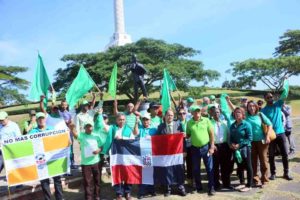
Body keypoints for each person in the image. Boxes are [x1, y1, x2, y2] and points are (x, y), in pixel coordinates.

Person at [261, 78, 293, 180]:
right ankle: (273, 173)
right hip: (271, 135)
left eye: (271, 97)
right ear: (265, 99)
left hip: (281, 133)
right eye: (268, 97)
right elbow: (262, 124)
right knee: (271, 156)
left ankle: (286, 173)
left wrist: (286, 82)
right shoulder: (264, 111)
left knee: (285, 154)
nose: (270, 98)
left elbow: (285, 93)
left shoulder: (278, 105)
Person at [29, 112, 64, 200]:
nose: (41, 120)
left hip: (53, 159)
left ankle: (59, 198)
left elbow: (59, 141)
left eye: (43, 118)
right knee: (44, 182)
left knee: (57, 180)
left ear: (45, 119)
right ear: (36, 120)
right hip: (41, 160)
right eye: (39, 119)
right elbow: (25, 144)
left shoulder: (52, 129)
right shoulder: (32, 132)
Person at [102, 113, 135, 200]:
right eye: (120, 119)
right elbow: (103, 126)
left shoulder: (128, 129)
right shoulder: (112, 128)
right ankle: (119, 193)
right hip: (115, 155)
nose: (121, 121)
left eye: (123, 119)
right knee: (117, 173)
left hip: (126, 155)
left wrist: (123, 138)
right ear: (116, 120)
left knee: (128, 173)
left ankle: (127, 192)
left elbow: (132, 140)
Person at [156, 109, 186, 197]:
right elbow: (158, 141)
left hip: (177, 153)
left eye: (172, 115)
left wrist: (184, 151)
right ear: (165, 116)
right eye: (168, 115)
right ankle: (168, 189)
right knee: (167, 170)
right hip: (166, 154)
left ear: (174, 116)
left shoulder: (179, 124)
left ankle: (180, 187)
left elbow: (182, 139)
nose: (170, 117)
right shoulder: (160, 127)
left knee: (179, 169)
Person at [186, 105, 215, 196]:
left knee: (209, 168)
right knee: (196, 169)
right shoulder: (189, 122)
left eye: (198, 111)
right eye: (195, 111)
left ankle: (211, 187)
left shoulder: (206, 120)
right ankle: (199, 187)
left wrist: (212, 147)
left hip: (206, 148)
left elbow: (211, 134)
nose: (197, 113)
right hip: (194, 149)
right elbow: (188, 135)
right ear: (191, 113)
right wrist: (182, 136)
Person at [69, 120, 102, 200]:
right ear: (84, 128)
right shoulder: (82, 135)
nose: (89, 128)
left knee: (97, 180)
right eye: (87, 126)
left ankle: (97, 195)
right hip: (86, 163)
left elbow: (101, 146)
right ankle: (89, 197)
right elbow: (75, 135)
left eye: (90, 126)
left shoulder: (96, 136)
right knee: (87, 182)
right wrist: (72, 128)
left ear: (92, 127)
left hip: (96, 162)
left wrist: (99, 150)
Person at [245, 101, 272, 187]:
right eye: (250, 106)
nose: (252, 108)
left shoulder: (260, 115)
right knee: (253, 161)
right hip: (250, 142)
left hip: (262, 141)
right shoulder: (245, 116)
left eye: (253, 106)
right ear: (247, 108)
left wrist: (267, 136)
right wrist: (228, 101)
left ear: (256, 107)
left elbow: (270, 124)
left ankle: (265, 180)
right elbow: (235, 110)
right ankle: (255, 179)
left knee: (263, 160)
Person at [133, 112, 157, 199]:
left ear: (150, 121)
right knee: (143, 173)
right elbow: (135, 133)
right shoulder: (140, 128)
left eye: (147, 119)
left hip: (152, 154)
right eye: (144, 120)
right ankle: (142, 191)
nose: (145, 121)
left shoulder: (154, 129)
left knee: (151, 173)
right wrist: (136, 122)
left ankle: (151, 189)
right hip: (142, 154)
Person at [230, 107, 253, 192]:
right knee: (239, 167)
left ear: (243, 114)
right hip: (236, 149)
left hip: (245, 148)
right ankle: (242, 183)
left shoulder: (247, 124)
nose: (237, 114)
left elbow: (250, 138)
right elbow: (231, 137)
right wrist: (232, 144)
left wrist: (239, 144)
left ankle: (249, 185)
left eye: (239, 112)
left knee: (248, 166)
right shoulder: (232, 125)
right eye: (235, 113)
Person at [209, 106, 233, 190]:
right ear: (211, 114)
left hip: (225, 146)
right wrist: (211, 145)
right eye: (215, 112)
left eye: (218, 112)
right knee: (215, 166)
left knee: (225, 166)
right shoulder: (209, 123)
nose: (216, 114)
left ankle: (226, 183)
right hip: (215, 146)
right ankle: (216, 184)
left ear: (220, 113)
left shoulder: (224, 123)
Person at [177, 108, 193, 187]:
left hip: (190, 146)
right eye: (180, 113)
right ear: (178, 115)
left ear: (186, 114)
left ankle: (190, 180)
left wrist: (186, 134)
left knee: (190, 164)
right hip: (180, 147)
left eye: (183, 113)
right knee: (181, 165)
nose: (182, 115)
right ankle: (181, 181)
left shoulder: (190, 122)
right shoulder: (176, 123)